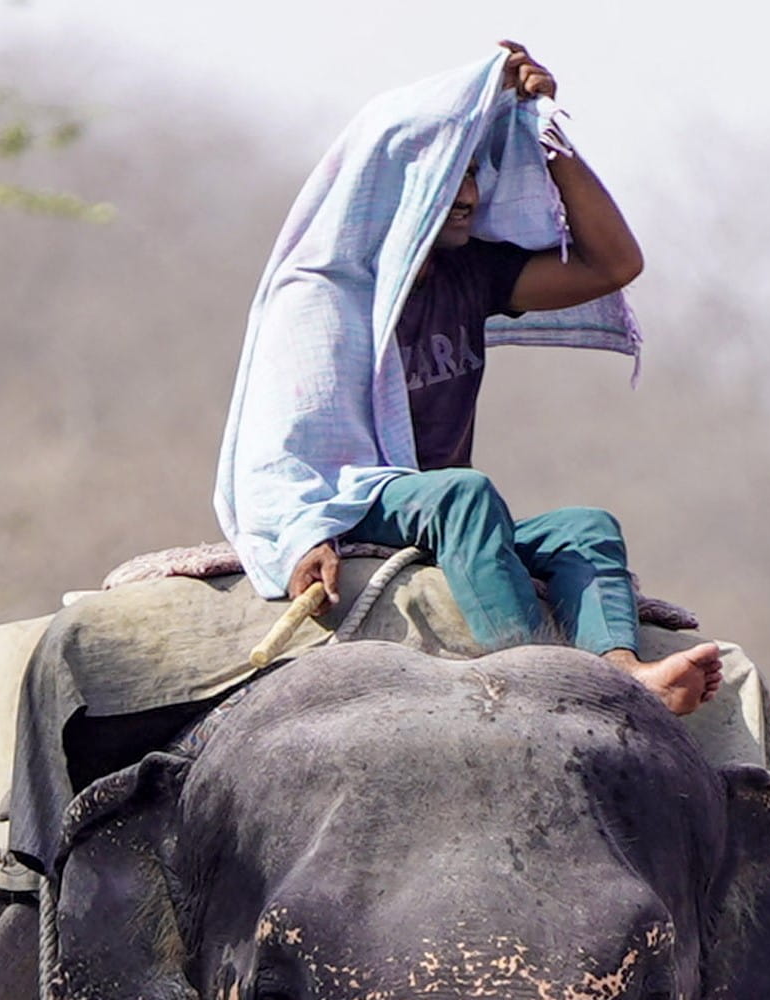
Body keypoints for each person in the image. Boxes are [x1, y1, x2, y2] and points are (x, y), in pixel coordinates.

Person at [214, 43, 726, 718]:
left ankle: (626, 676)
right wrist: (301, 536)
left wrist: (545, 137)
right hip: (358, 500)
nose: (467, 196)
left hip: (443, 509)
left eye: (472, 173)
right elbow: (280, 446)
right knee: (465, 493)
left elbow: (613, 263)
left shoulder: (467, 272)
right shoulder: (320, 296)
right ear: (391, 188)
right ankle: (534, 678)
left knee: (584, 528)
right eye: (442, 177)